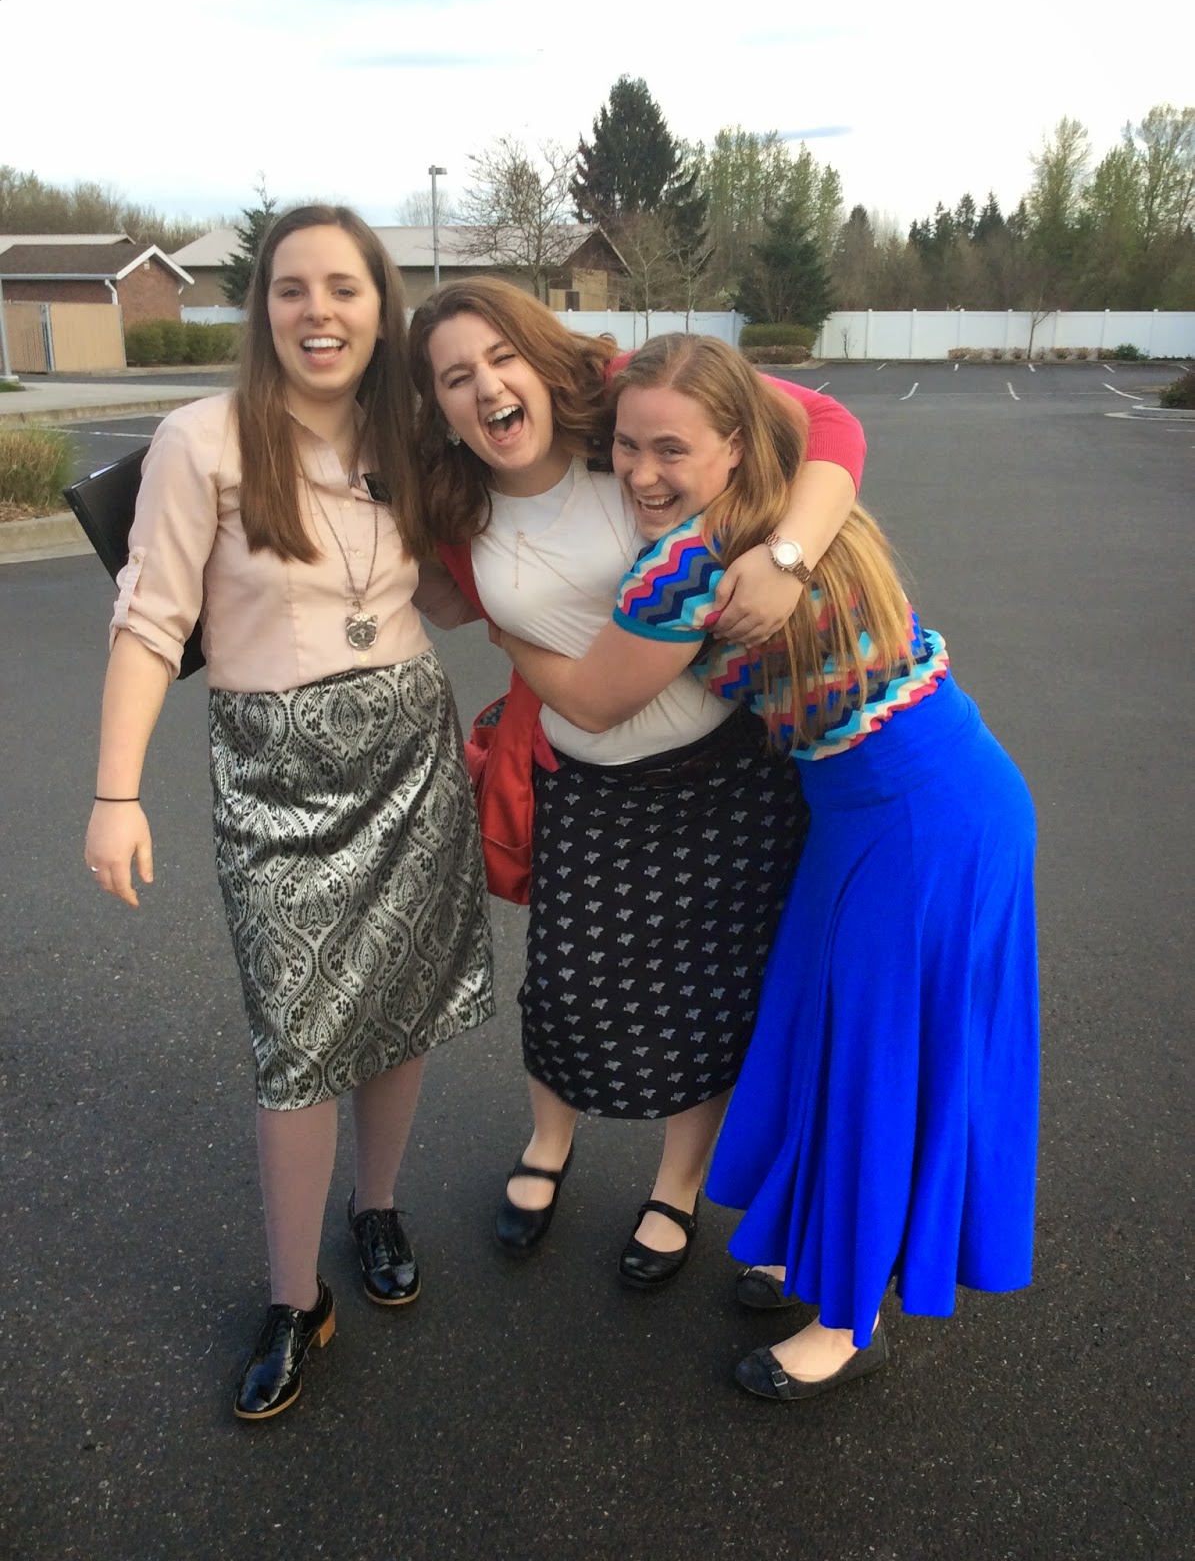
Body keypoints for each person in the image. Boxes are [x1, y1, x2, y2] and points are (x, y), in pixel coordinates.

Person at [492, 332, 1039, 1400]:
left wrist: (505, 628)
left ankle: (845, 1326)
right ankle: (816, 1250)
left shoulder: (684, 569)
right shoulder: (800, 507)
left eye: (671, 449)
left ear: (735, 446)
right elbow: (825, 427)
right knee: (820, 1039)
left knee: (875, 1063)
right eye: (625, 447)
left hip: (917, 823)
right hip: (917, 795)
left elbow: (594, 701)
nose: (641, 472)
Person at [83, 205, 493, 1421]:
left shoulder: (407, 436)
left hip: (410, 754)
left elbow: (448, 588)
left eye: (345, 289)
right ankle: (292, 1295)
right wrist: (115, 793)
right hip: (276, 779)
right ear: (261, 307)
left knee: (399, 1004)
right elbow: (151, 620)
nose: (319, 311)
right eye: (292, 288)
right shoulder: (203, 438)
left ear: (380, 308)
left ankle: (377, 1206)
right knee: (297, 1038)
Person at [407, 279, 866, 1285]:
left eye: (502, 357)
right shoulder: (448, 501)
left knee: (707, 990)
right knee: (564, 985)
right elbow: (436, 594)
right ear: (435, 404)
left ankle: (675, 1187)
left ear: (540, 358)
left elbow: (828, 424)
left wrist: (788, 555)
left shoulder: (622, 416)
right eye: (455, 376)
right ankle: (548, 1142)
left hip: (724, 776)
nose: (487, 386)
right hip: (585, 779)